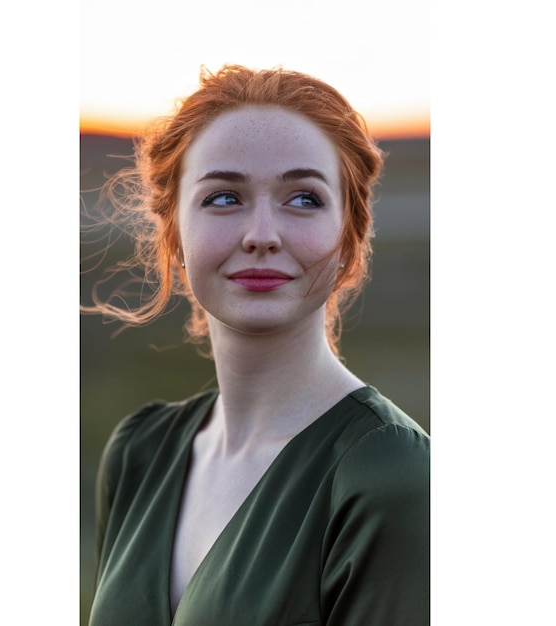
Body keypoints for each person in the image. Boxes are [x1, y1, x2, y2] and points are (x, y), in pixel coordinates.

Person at [84, 65, 429, 626]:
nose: (262, 234)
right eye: (223, 197)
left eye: (304, 199)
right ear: (174, 234)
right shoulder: (137, 454)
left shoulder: (389, 472)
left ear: (349, 236)